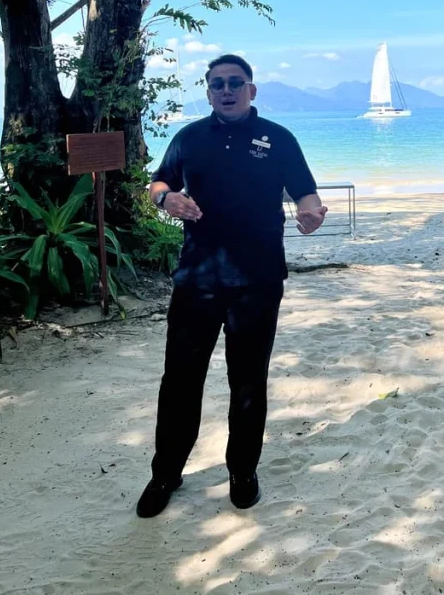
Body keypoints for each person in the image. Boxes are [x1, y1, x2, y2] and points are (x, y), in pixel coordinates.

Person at [136, 54, 327, 518]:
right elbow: (157, 182)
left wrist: (312, 212)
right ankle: (166, 473)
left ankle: (242, 470)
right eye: (218, 83)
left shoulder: (278, 139)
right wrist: (166, 198)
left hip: (257, 280)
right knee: (180, 380)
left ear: (251, 90)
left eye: (235, 83)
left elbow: (306, 191)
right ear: (207, 91)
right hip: (197, 279)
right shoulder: (190, 138)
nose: (227, 90)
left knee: (247, 380)